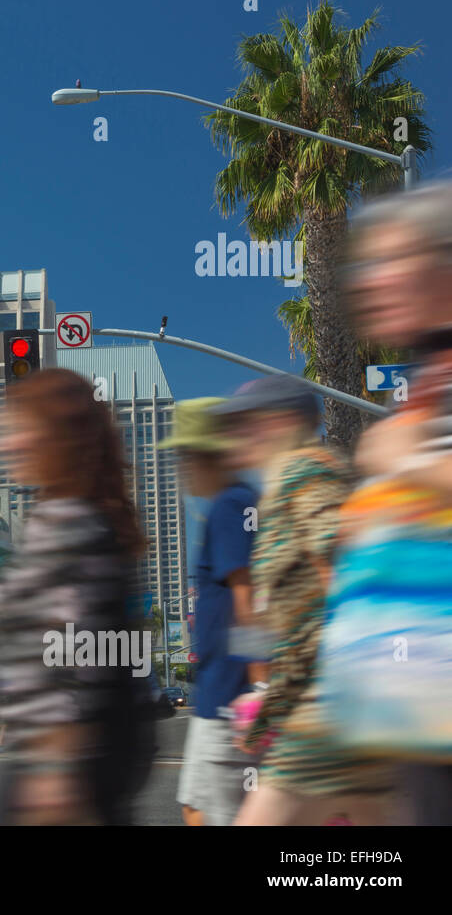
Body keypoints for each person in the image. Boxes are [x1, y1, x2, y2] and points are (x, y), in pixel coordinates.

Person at [211, 377, 391, 825]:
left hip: (329, 707)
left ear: (282, 421)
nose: (234, 436)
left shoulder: (303, 471)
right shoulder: (288, 483)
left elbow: (343, 566)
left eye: (243, 423)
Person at [0, 369, 153, 823]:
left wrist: (55, 770)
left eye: (20, 430)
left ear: (59, 437)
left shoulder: (71, 524)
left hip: (64, 760)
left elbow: (77, 647)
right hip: (70, 755)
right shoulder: (72, 515)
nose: (4, 445)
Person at [339, 183, 452, 824]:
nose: (369, 282)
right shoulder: (425, 378)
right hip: (417, 724)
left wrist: (401, 460)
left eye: (391, 260)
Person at [161, 398, 260, 826]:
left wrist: (260, 689)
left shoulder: (231, 505)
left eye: (185, 455)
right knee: (196, 808)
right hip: (217, 698)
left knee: (218, 814)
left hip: (230, 701)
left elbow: (250, 597)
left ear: (207, 455)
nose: (181, 466)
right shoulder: (235, 503)